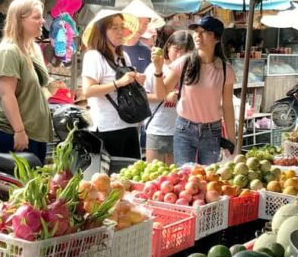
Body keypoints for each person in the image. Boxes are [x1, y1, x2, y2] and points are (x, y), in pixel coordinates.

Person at [82, 11, 164, 159]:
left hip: (129, 124)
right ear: (102, 32)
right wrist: (119, 82)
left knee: (131, 171)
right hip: (107, 127)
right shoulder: (94, 56)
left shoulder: (123, 56)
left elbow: (126, 84)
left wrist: (135, 80)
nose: (120, 32)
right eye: (114, 28)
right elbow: (88, 91)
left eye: (122, 27)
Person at [0, 0, 53, 162]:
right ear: (19, 20)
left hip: (35, 134)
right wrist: (19, 131)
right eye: (36, 17)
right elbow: (6, 95)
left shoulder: (33, 48)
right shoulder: (8, 51)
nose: (42, 21)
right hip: (13, 135)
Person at [162, 16, 235, 165]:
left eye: (205, 32)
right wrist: (158, 71)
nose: (198, 36)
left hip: (212, 130)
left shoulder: (225, 69)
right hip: (184, 128)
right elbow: (161, 92)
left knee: (209, 175)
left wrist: (232, 139)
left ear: (216, 38)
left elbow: (228, 106)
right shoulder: (184, 63)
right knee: (184, 174)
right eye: (196, 31)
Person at [143, 30, 193, 163]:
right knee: (154, 171)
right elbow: (143, 96)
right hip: (157, 128)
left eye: (185, 52)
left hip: (181, 131)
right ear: (168, 46)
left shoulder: (190, 70)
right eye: (177, 49)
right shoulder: (154, 68)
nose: (179, 55)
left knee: (175, 173)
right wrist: (165, 96)